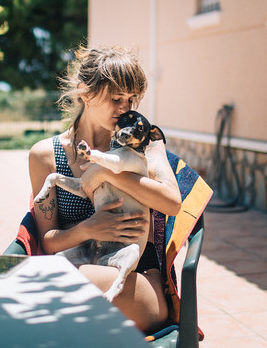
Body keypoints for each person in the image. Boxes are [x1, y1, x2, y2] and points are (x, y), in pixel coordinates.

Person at [29, 45, 182, 334]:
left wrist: (105, 172)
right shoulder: (45, 155)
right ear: (85, 93)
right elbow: (48, 241)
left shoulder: (144, 142)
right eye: (116, 98)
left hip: (136, 281)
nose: (125, 108)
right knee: (65, 279)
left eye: (131, 99)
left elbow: (173, 203)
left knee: (62, 282)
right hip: (77, 269)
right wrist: (89, 228)